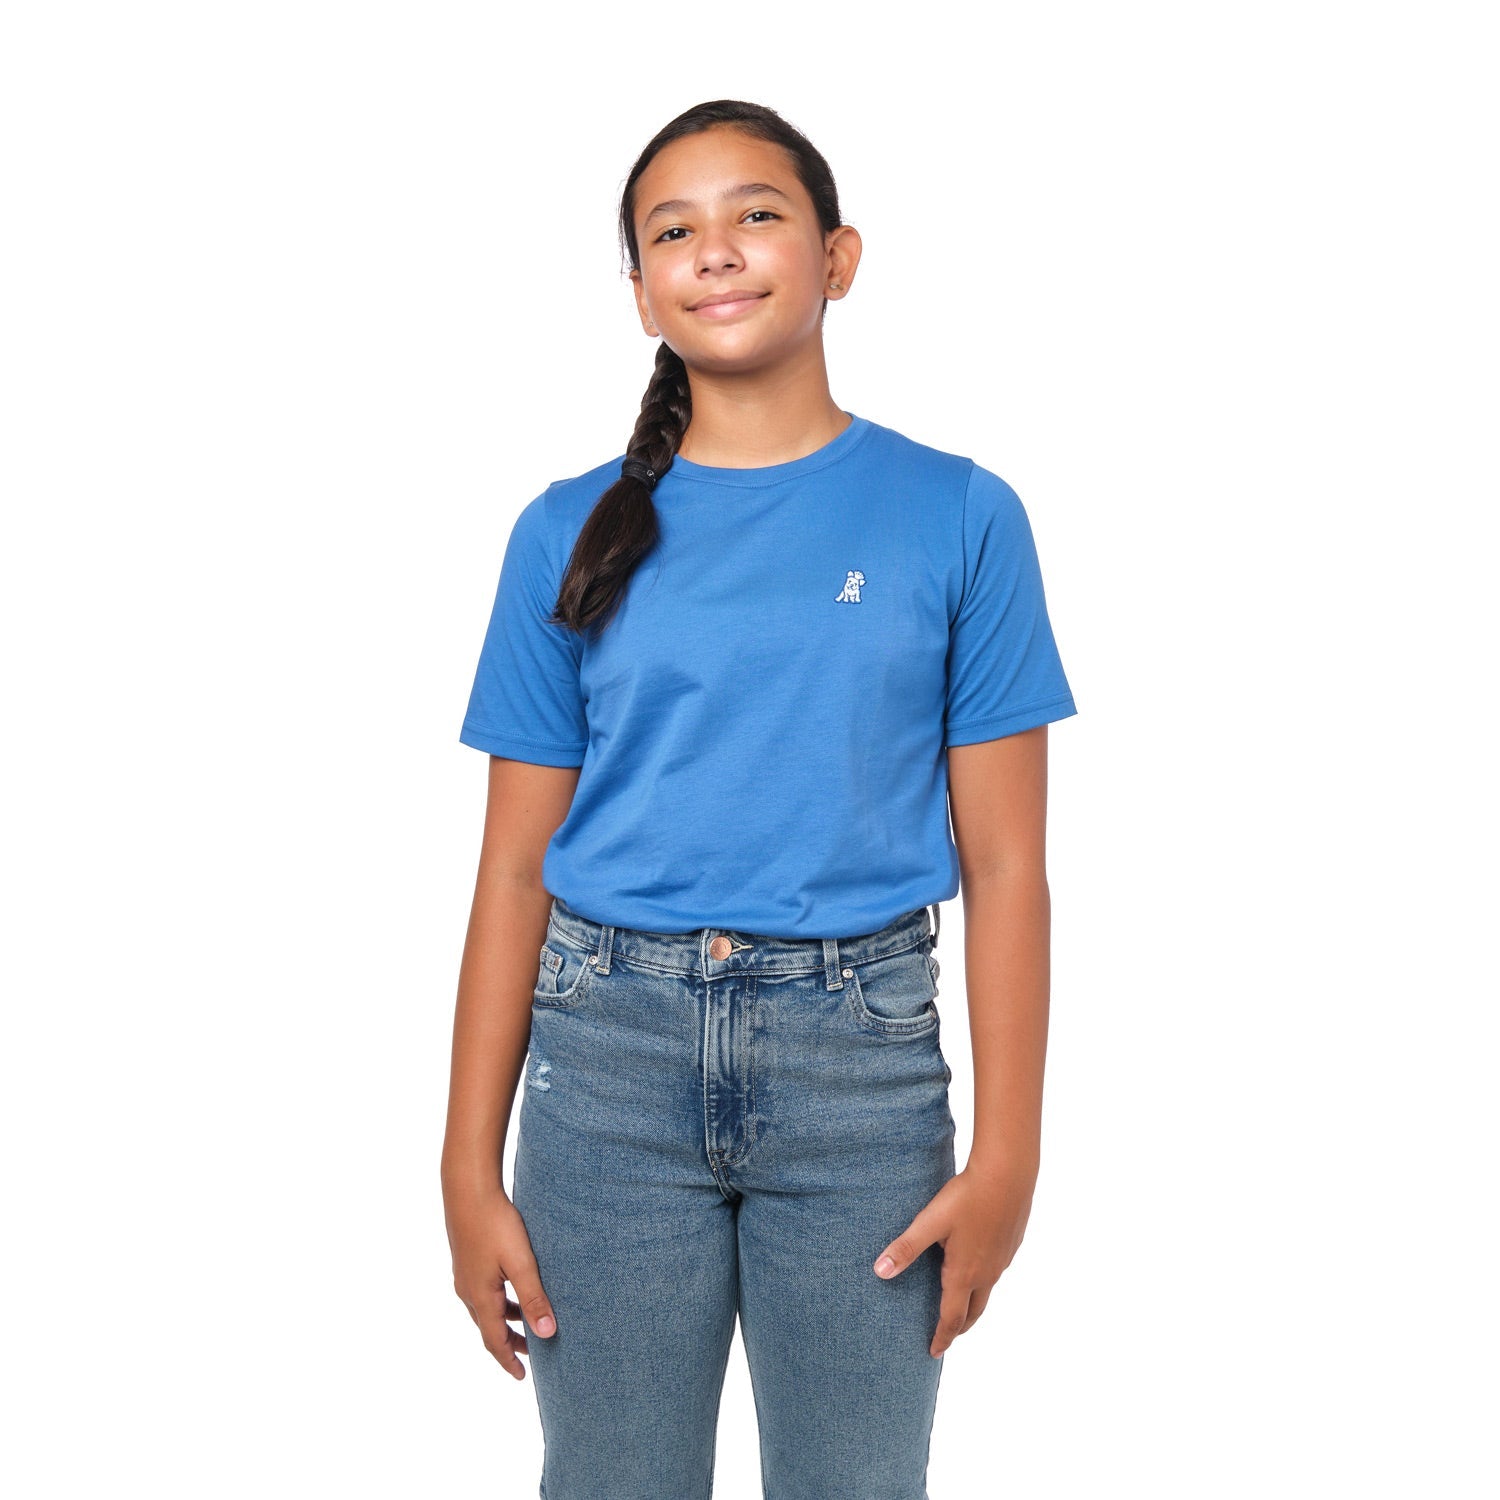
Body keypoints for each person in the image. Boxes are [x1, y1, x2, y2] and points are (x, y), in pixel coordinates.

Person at [441, 98, 1078, 1500]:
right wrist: (465, 1169)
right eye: (674, 230)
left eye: (758, 214)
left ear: (839, 257)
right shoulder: (564, 531)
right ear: (640, 290)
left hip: (862, 1074)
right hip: (604, 1070)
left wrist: (1012, 1157)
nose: (716, 250)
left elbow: (1007, 868)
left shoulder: (959, 515)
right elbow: (512, 872)